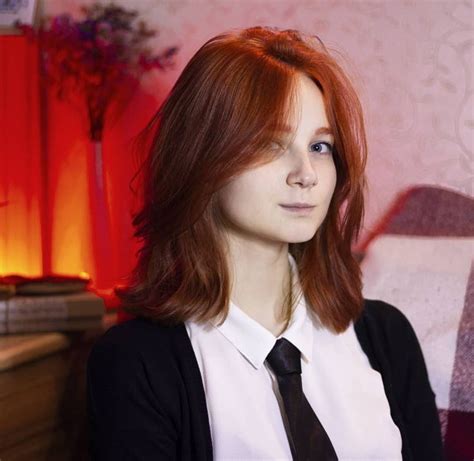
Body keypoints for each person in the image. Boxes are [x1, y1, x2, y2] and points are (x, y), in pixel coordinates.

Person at [86, 26, 445, 460]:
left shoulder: (387, 337)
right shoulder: (136, 363)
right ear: (201, 158)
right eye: (271, 145)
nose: (306, 174)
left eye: (320, 146)